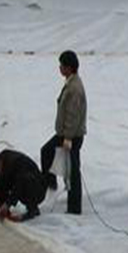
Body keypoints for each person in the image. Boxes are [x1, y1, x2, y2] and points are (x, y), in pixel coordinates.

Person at [40, 50, 87, 215]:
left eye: (62, 65)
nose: (60, 68)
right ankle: (50, 183)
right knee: (48, 152)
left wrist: (67, 138)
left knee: (73, 171)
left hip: (71, 136)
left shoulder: (75, 88)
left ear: (69, 67)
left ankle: (74, 207)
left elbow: (73, 115)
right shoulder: (71, 82)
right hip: (66, 133)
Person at [0, 149, 46, 222]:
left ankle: (33, 210)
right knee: (1, 181)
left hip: (38, 189)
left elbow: (18, 187)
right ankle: (3, 207)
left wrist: (8, 204)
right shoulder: (2, 161)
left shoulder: (16, 163)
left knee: (24, 181)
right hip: (22, 182)